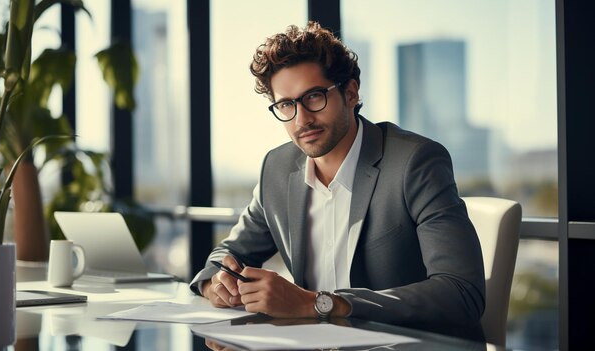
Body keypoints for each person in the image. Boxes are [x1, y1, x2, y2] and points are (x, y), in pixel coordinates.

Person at [190, 21, 486, 342]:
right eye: (286, 105)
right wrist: (216, 282)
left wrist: (320, 304)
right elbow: (229, 253)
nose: (301, 119)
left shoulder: (415, 162)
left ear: (351, 92)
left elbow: (461, 293)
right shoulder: (276, 167)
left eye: (314, 97)